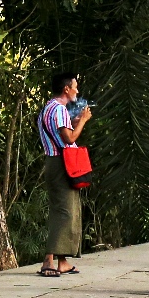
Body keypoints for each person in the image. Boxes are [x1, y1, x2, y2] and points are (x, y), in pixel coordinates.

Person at [38, 73, 92, 277]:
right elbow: (69, 139)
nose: (77, 91)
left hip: (53, 162)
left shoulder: (48, 108)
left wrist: (75, 120)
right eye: (75, 87)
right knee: (65, 211)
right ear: (66, 89)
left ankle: (63, 262)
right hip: (62, 162)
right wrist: (83, 121)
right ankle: (48, 261)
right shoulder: (60, 109)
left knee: (63, 209)